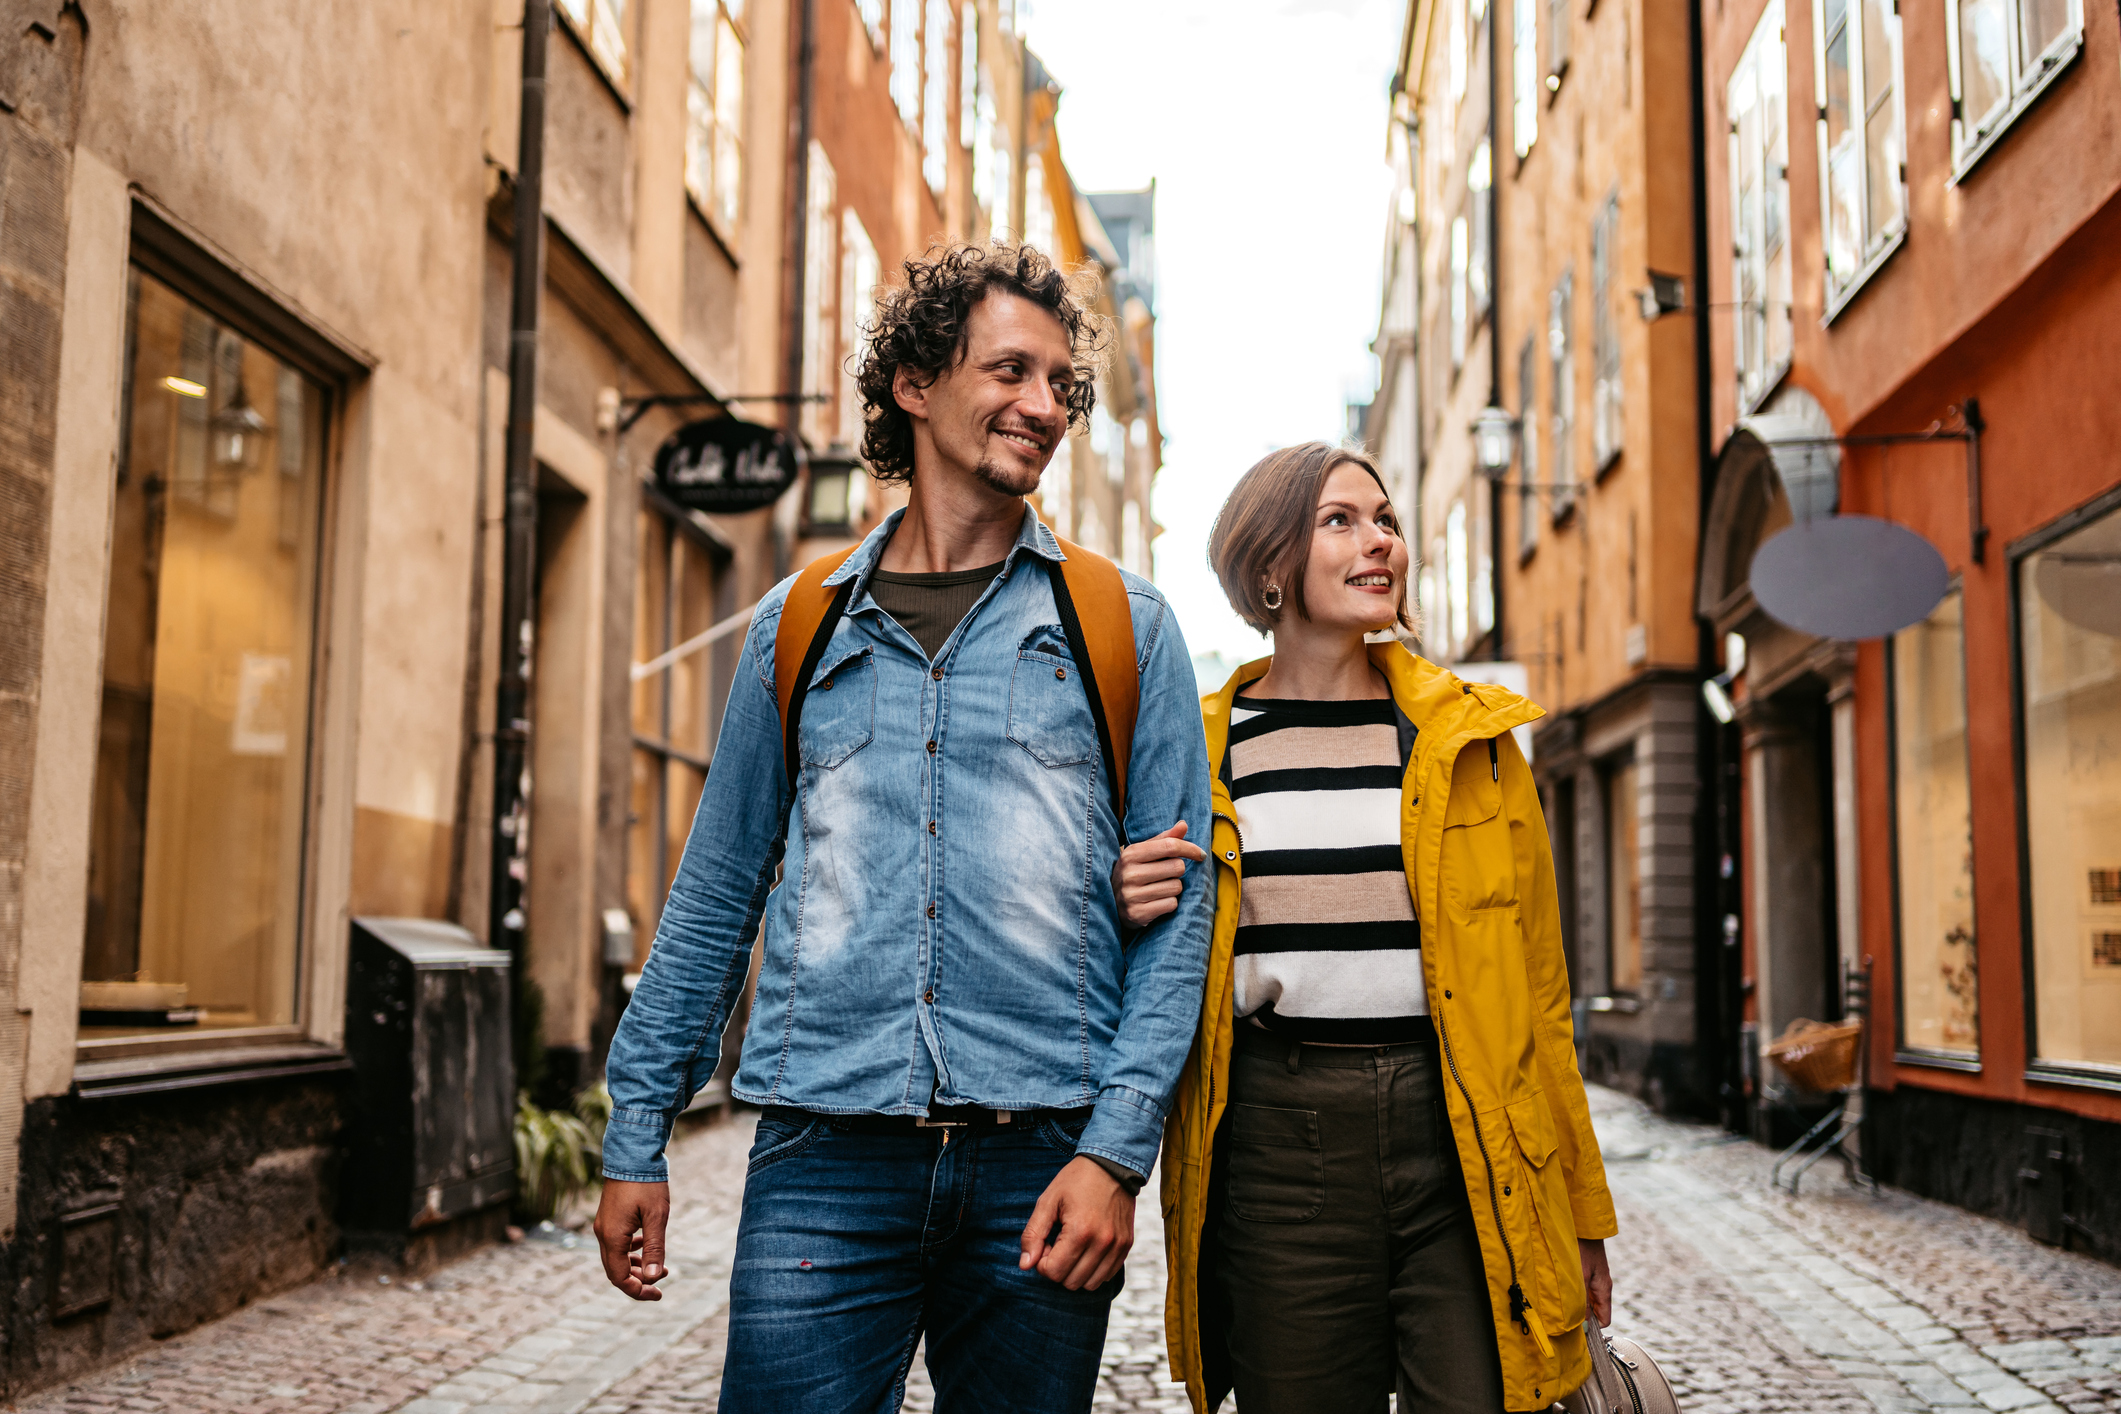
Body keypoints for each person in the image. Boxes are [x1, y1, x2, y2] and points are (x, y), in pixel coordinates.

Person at [592, 241, 1215, 1414]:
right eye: (1011, 372)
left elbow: (1180, 917)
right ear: (915, 387)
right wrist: (637, 1127)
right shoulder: (799, 627)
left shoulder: (1124, 627)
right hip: (823, 1155)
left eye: (1061, 387)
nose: (1044, 406)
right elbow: (720, 888)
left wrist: (1115, 1151)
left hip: (1043, 1159)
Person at [1114, 441, 1618, 1414]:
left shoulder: (1468, 744)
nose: (1378, 539)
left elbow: (1541, 1003)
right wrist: (1124, 891)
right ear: (1270, 563)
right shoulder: (1204, 749)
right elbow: (1148, 955)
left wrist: (1581, 1215)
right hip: (1275, 1143)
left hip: (1459, 1137)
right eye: (1339, 520)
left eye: (1384, 518)